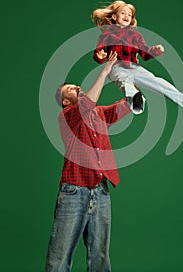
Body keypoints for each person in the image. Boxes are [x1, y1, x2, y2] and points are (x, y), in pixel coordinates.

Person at [45, 51, 131, 272]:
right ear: (65, 101)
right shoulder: (67, 116)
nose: (76, 88)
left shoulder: (98, 114)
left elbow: (129, 105)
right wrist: (104, 70)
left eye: (75, 85)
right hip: (74, 191)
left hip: (100, 191)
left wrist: (130, 78)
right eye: (70, 89)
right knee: (60, 257)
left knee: (100, 257)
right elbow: (87, 103)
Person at [92, 0, 183, 114]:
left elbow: (145, 53)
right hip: (116, 67)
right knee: (124, 81)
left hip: (134, 67)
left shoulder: (135, 35)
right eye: (123, 13)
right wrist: (100, 56)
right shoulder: (106, 35)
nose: (126, 16)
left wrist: (155, 51)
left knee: (158, 82)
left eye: (129, 15)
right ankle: (136, 99)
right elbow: (99, 52)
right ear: (114, 16)